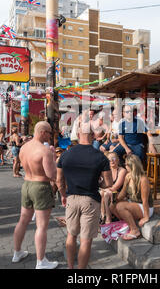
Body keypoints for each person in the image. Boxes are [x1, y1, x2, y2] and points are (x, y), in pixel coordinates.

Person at [56, 111, 113, 269]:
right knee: (86, 239)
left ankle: (70, 267)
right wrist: (100, 183)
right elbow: (108, 183)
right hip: (90, 199)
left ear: (79, 132)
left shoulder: (66, 155)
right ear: (93, 135)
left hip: (71, 198)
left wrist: (62, 195)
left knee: (71, 235)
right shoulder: (100, 157)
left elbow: (59, 180)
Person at [12, 122, 59, 269]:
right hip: (40, 186)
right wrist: (54, 159)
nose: (51, 136)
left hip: (27, 184)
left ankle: (17, 252)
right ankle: (41, 261)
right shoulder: (44, 151)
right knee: (41, 226)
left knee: (23, 220)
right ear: (43, 132)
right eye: (50, 133)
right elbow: (52, 175)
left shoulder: (24, 147)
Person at [109, 154, 153, 240]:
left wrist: (146, 217)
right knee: (112, 206)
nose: (124, 166)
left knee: (120, 206)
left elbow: (145, 201)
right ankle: (128, 224)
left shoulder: (143, 179)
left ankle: (135, 229)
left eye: (126, 164)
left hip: (145, 207)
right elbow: (123, 193)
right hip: (134, 204)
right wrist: (113, 197)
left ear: (131, 165)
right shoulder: (128, 176)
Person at [100, 152, 127, 224]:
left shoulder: (122, 171)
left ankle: (107, 218)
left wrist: (104, 189)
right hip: (109, 193)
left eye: (114, 158)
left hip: (120, 194)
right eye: (109, 159)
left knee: (105, 193)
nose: (112, 161)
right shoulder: (107, 170)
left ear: (118, 160)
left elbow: (116, 187)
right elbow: (102, 184)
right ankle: (104, 216)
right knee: (104, 193)